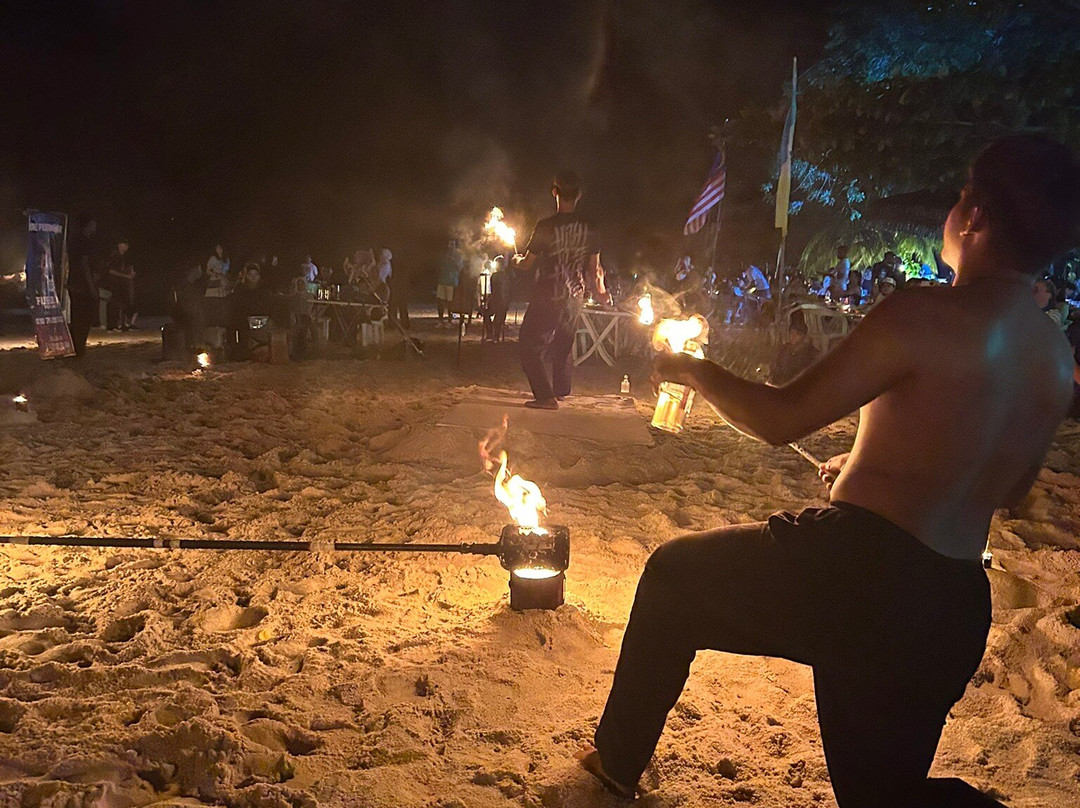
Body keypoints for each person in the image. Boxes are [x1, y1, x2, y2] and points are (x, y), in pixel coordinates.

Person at [580, 135, 1080, 807]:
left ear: (976, 217)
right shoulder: (1053, 356)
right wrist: (876, 465)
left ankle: (614, 765)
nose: (955, 208)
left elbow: (780, 419)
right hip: (952, 605)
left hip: (854, 573)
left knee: (673, 578)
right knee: (884, 797)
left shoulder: (921, 311)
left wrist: (693, 370)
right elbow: (1008, 490)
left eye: (962, 195)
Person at [515, 171, 610, 409]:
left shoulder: (545, 226)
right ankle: (560, 391)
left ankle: (546, 397)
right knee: (564, 343)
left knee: (529, 344)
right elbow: (595, 268)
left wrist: (515, 261)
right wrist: (601, 293)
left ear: (554, 192)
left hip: (549, 293)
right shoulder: (590, 226)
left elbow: (527, 264)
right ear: (578, 195)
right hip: (575, 295)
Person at [66, 216, 100, 356]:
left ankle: (77, 347)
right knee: (84, 317)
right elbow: (84, 264)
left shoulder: (73, 240)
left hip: (73, 282)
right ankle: (79, 348)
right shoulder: (84, 242)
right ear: (87, 226)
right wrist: (91, 286)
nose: (95, 228)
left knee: (77, 317)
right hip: (82, 284)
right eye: (92, 225)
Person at [105, 238, 136, 330]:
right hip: (115, 284)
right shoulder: (114, 256)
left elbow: (130, 267)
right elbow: (111, 270)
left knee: (124, 303)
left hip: (123, 285)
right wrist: (125, 276)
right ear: (119, 245)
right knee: (114, 304)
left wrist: (131, 273)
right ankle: (112, 324)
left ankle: (122, 323)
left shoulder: (126, 257)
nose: (126, 247)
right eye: (124, 244)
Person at [436, 239, 463, 328]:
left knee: (450, 303)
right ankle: (440, 320)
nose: (450, 246)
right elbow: (439, 265)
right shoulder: (444, 254)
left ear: (455, 245)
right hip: (442, 280)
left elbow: (459, 268)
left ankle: (449, 321)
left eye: (452, 244)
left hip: (451, 281)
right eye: (449, 244)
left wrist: (453, 260)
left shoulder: (458, 255)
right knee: (440, 301)